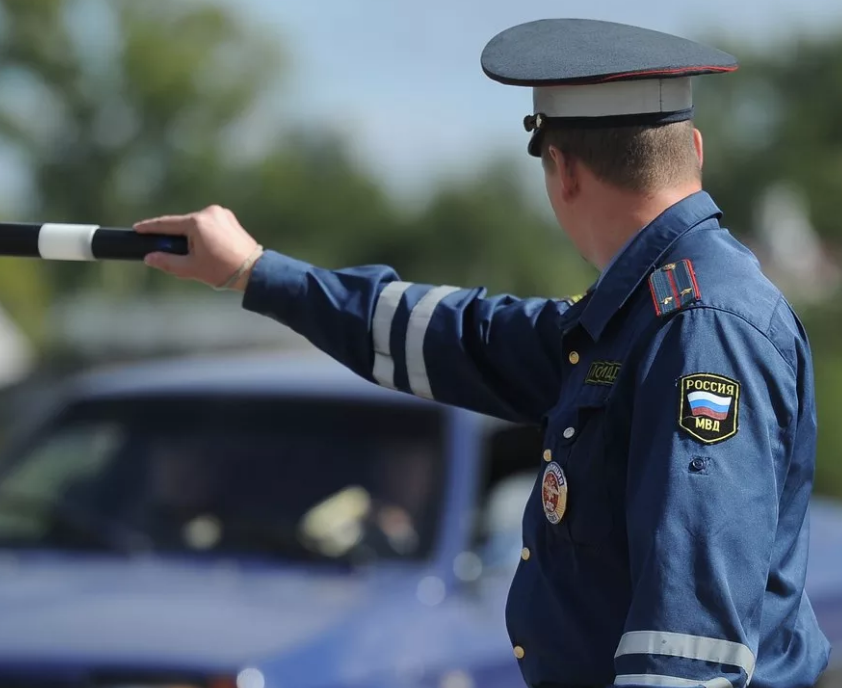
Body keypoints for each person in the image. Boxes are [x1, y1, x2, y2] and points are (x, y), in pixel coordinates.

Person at [134, 17, 832, 688]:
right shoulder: (644, 314)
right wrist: (256, 271)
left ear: (561, 168)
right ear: (695, 151)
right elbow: (460, 336)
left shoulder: (697, 326)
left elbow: (689, 648)